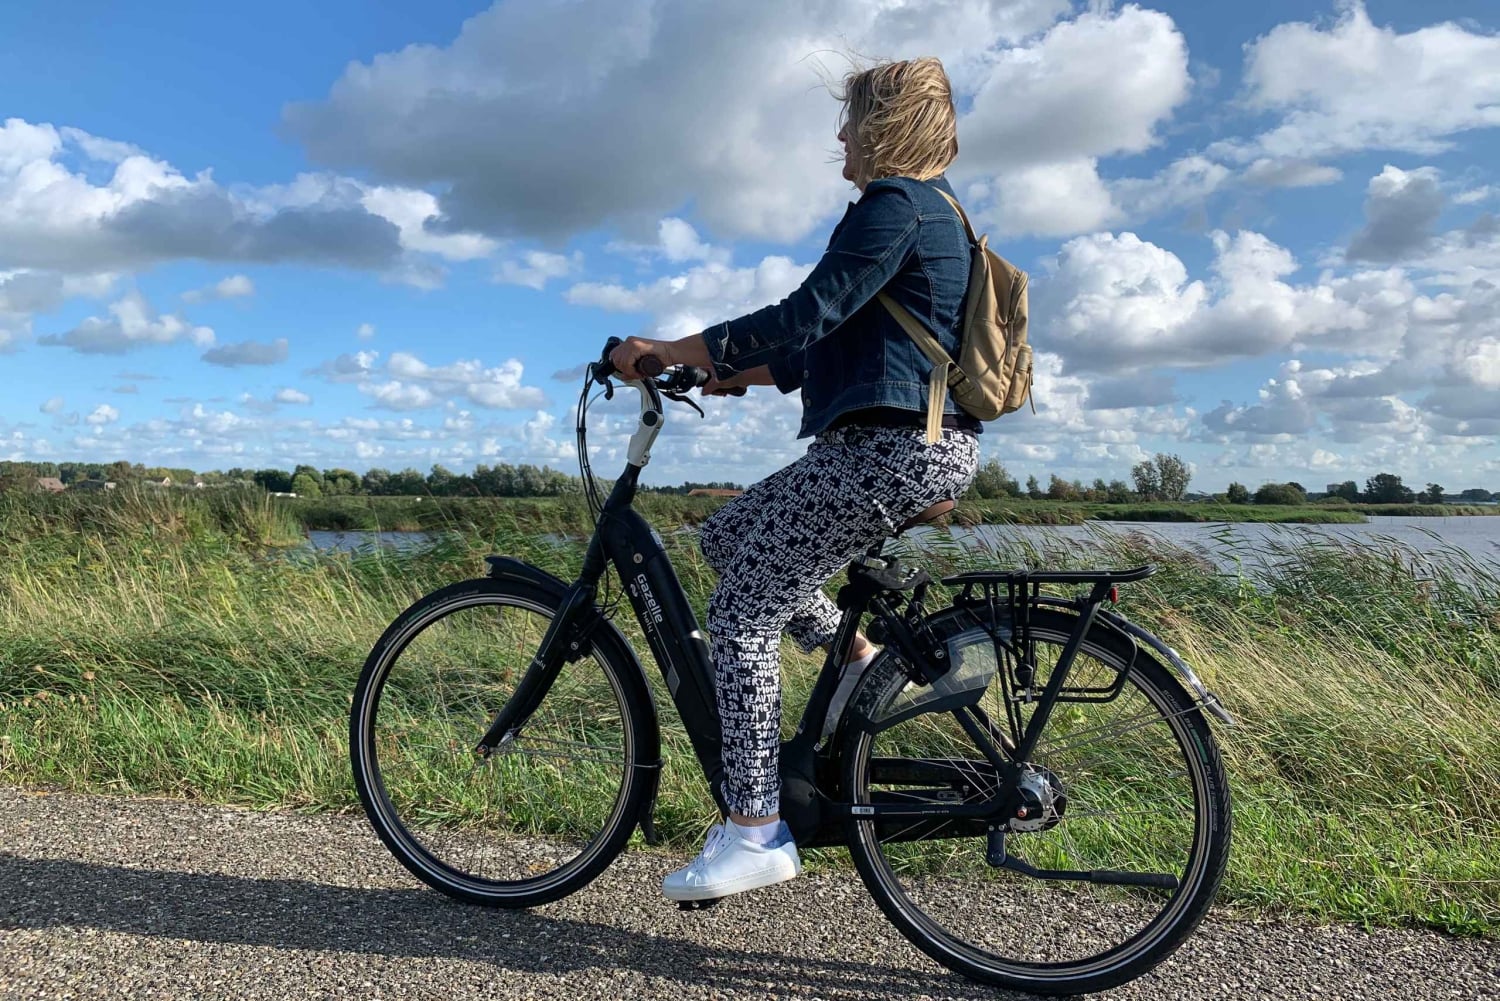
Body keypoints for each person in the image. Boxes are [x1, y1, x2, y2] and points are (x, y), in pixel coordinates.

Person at [609, 56, 981, 903]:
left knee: (740, 612)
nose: (840, 137)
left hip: (890, 450)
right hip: (898, 443)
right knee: (730, 534)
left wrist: (673, 346)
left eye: (852, 120)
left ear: (887, 125)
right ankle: (855, 659)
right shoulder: (934, 214)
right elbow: (818, 345)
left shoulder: (898, 207)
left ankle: (753, 828)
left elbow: (805, 311)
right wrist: (719, 375)